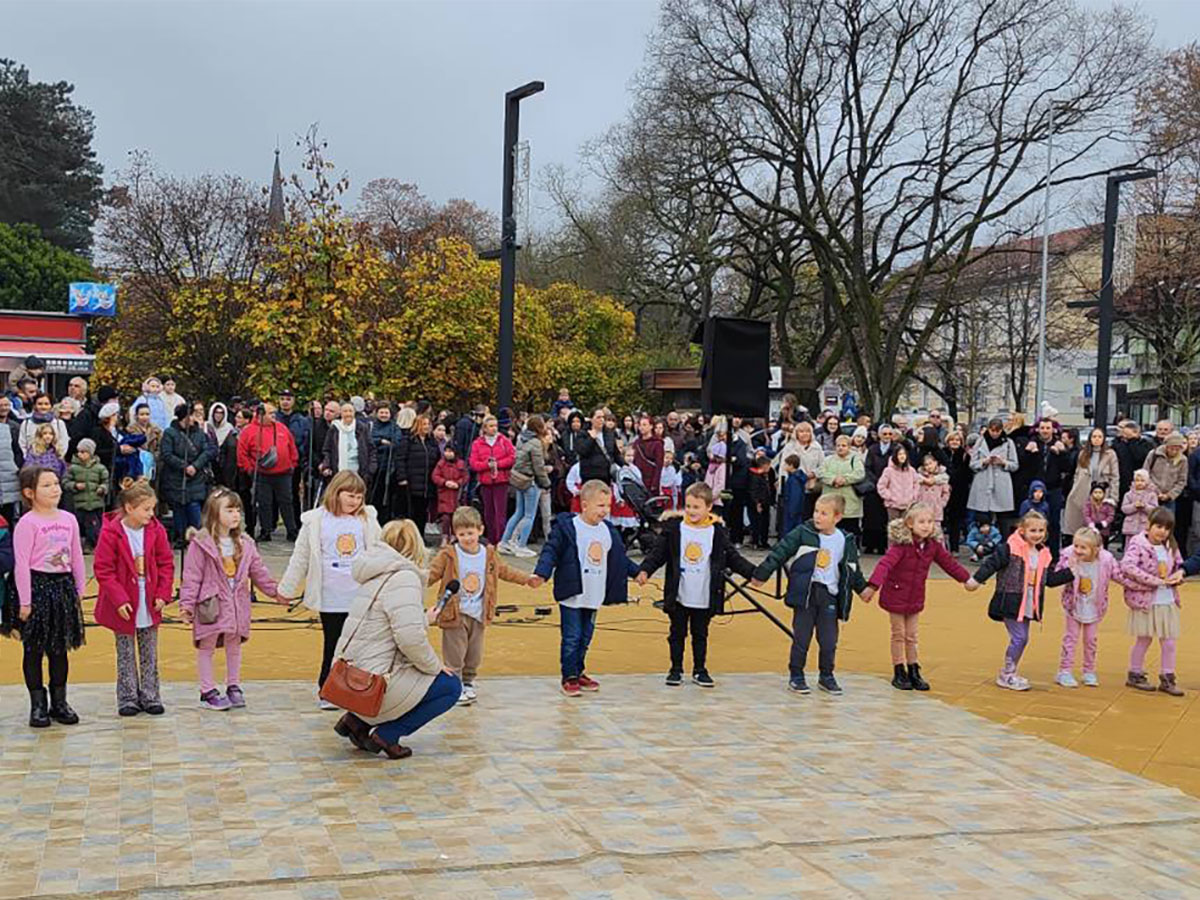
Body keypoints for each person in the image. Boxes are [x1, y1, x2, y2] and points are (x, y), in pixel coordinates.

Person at [330, 519, 461, 760]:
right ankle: (387, 735)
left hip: (349, 674)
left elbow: (382, 625)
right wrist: (435, 666)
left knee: (416, 672)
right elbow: (409, 639)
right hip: (374, 681)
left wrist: (423, 619)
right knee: (450, 687)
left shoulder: (375, 572)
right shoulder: (404, 577)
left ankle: (356, 721)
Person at [278, 470, 382, 708]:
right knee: (333, 644)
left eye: (359, 497)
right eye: (350, 496)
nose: (355, 501)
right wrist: (286, 589)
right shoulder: (315, 521)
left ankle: (358, 690)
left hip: (360, 596)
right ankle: (327, 690)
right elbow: (301, 558)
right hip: (331, 596)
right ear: (336, 492)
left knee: (359, 646)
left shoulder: (367, 519)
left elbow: (380, 552)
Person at [636, 482, 756, 688]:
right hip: (679, 594)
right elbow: (658, 554)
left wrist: (754, 573)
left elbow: (733, 558)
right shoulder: (674, 529)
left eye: (696, 507)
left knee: (700, 634)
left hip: (704, 594)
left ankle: (700, 670)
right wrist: (645, 570)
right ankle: (675, 669)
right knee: (677, 633)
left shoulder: (716, 532)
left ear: (709, 507)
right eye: (688, 506)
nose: (691, 511)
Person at [529, 480, 641, 697]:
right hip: (573, 594)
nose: (605, 510)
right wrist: (541, 573)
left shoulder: (608, 531)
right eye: (600, 506)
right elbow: (551, 551)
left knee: (586, 636)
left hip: (594, 594)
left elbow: (619, 558)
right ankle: (569, 676)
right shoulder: (568, 528)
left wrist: (637, 572)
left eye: (607, 505)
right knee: (572, 636)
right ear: (585, 505)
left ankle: (579, 671)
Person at [751, 493, 868, 696]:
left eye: (824, 513)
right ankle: (796, 675)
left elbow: (852, 568)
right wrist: (762, 573)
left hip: (829, 595)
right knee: (802, 638)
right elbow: (781, 551)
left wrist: (862, 588)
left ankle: (826, 675)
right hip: (806, 593)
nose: (817, 516)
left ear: (837, 517)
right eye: (816, 511)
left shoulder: (845, 539)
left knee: (829, 640)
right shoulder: (803, 532)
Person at [179, 488, 283, 711]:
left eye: (238, 510)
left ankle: (233, 685)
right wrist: (186, 605)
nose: (236, 515)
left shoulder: (246, 543)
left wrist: (277, 592)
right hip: (211, 604)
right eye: (229, 510)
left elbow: (259, 572)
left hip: (237, 605)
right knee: (207, 645)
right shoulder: (201, 543)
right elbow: (192, 577)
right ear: (214, 513)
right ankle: (207, 690)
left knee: (234, 645)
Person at [861, 503, 971, 691]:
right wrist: (872, 586)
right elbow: (884, 565)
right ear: (910, 524)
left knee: (911, 635)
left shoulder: (932, 546)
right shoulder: (901, 546)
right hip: (896, 594)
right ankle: (899, 670)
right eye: (922, 522)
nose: (926, 526)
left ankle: (913, 669)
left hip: (915, 595)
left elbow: (948, 563)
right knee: (899, 634)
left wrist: (966, 579)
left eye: (930, 521)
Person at [428, 506, 532, 705]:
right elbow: (431, 574)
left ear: (480, 530)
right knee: (455, 654)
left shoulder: (489, 554)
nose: (467, 538)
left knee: (474, 654)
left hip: (479, 613)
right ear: (455, 534)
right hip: (454, 613)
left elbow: (505, 571)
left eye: (470, 533)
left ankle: (468, 682)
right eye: (461, 534)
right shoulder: (449, 554)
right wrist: (411, 582)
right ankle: (454, 686)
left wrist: (526, 579)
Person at [966, 510, 1074, 691]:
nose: (1037, 534)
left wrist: (1071, 572)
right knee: (1020, 638)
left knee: (1022, 638)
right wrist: (976, 580)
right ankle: (1007, 674)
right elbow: (992, 564)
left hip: (1030, 602)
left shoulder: (1043, 554)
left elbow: (1048, 580)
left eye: (1041, 531)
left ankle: (1010, 672)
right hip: (1011, 600)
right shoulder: (1009, 548)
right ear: (1022, 530)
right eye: (1033, 530)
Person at [12, 467, 86, 727]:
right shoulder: (27, 523)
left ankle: (60, 702)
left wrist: (79, 589)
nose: (55, 489)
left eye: (56, 483)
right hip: (37, 586)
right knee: (33, 649)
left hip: (62, 586)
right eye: (46, 485)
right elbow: (21, 564)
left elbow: (76, 555)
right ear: (29, 492)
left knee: (59, 648)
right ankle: (38, 704)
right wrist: (25, 601)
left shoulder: (69, 519)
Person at [92, 482, 174, 716]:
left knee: (149, 652)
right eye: (146, 509)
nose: (151, 514)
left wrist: (162, 594)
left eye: (152, 508)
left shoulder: (157, 530)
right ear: (129, 508)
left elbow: (166, 564)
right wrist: (118, 599)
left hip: (149, 601)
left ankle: (150, 695)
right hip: (124, 604)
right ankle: (127, 697)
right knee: (125, 652)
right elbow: (103, 569)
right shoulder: (111, 532)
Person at [1054, 526, 1124, 689]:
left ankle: (1089, 671)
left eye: (1083, 547)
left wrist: (1139, 585)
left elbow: (1120, 576)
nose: (1078, 550)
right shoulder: (1068, 556)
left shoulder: (1106, 561)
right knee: (1071, 638)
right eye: (1076, 546)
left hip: (1094, 606)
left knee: (1091, 640)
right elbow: (1058, 574)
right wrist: (1069, 568)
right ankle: (1064, 671)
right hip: (1073, 605)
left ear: (1096, 549)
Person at [236, 402, 300, 543]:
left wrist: (292, 464)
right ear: (261, 415)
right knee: (264, 503)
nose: (274, 416)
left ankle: (291, 530)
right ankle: (265, 530)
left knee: (287, 502)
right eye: (270, 413)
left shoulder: (281, 427)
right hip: (262, 474)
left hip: (284, 473)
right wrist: (249, 469)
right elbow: (242, 453)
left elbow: (291, 447)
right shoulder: (249, 431)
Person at [159, 403, 213, 547]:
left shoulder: (200, 433)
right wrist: (184, 466)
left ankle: (198, 538)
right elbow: (166, 454)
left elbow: (207, 451)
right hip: (176, 477)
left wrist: (195, 466)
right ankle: (181, 536)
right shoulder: (170, 433)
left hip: (196, 477)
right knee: (179, 508)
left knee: (194, 507)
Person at [500, 415, 551, 557]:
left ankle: (504, 542)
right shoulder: (536, 443)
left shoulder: (522, 438)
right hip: (530, 481)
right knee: (529, 515)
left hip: (519, 479)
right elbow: (538, 467)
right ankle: (520, 545)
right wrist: (546, 483)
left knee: (518, 512)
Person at [469, 415, 516, 546]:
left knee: (500, 513)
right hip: (485, 482)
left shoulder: (504, 441)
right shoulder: (477, 443)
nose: (494, 428)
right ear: (484, 428)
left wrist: (498, 464)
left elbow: (512, 458)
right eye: (491, 426)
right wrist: (487, 465)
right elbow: (473, 463)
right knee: (488, 513)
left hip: (501, 481)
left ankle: (501, 541)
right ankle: (491, 540)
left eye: (495, 426)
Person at [1064, 428, 1119, 535]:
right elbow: (1077, 474)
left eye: (1099, 437)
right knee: (1081, 524)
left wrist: (1113, 497)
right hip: (1082, 491)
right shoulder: (1083, 453)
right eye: (1094, 437)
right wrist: (1075, 488)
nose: (1097, 439)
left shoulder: (1110, 454)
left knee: (1100, 528)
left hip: (1102, 494)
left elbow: (1115, 477)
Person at [967, 417, 1019, 530]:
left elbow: (1015, 465)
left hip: (1001, 483)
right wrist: (984, 462)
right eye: (992, 430)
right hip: (983, 482)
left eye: (997, 431)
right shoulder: (980, 441)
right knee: (982, 518)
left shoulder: (1008, 443)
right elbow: (972, 464)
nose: (995, 433)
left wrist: (1003, 462)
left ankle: (1003, 539)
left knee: (1003, 519)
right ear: (988, 429)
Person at [398, 414, 438, 537]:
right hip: (412, 482)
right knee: (412, 512)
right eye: (424, 424)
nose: (427, 427)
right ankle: (410, 537)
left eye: (428, 424)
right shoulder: (408, 440)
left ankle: (420, 536)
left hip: (427, 483)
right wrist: (402, 477)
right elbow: (400, 459)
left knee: (423, 512)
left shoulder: (432, 442)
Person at [818, 435, 865, 535]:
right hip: (830, 502)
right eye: (838, 445)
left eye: (843, 445)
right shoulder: (828, 460)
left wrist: (844, 479)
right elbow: (820, 473)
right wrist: (833, 479)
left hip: (850, 504)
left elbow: (859, 474)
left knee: (850, 533)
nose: (840, 448)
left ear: (849, 447)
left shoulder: (855, 459)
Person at [321, 401, 377, 483]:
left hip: (360, 472)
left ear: (354, 413)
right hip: (339, 471)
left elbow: (371, 449)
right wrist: (326, 466)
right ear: (340, 413)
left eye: (350, 411)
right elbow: (327, 450)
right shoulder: (334, 429)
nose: (348, 414)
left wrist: (371, 469)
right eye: (345, 411)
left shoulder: (362, 428)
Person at [68, 438, 107, 549]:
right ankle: (83, 543)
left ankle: (93, 544)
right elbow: (66, 482)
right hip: (79, 503)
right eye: (79, 452)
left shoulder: (99, 468)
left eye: (84, 452)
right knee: (80, 524)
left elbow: (106, 482)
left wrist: (102, 488)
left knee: (94, 526)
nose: (80, 454)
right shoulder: (73, 468)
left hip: (95, 503)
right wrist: (75, 486)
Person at [369, 403, 403, 524]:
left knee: (388, 497)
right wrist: (381, 441)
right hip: (374, 465)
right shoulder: (371, 426)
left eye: (386, 413)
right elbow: (369, 440)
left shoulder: (395, 427)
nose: (384, 415)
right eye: (381, 412)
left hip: (389, 466)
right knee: (373, 495)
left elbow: (397, 442)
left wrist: (386, 443)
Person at [432, 444, 468, 546]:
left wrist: (458, 483)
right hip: (444, 493)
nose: (448, 454)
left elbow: (465, 476)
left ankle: (454, 535)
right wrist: (444, 482)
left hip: (456, 495)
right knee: (445, 517)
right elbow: (435, 476)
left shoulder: (461, 464)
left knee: (456, 516)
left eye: (450, 451)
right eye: (446, 451)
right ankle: (445, 535)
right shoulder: (441, 464)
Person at [574, 408, 619, 486]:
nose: (601, 420)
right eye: (598, 417)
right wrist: (591, 438)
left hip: (606, 474)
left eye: (603, 417)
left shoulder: (609, 433)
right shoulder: (583, 433)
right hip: (590, 475)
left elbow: (615, 453)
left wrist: (625, 466)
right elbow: (582, 451)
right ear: (591, 419)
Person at [877, 444, 920, 525]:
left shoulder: (911, 471)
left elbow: (916, 484)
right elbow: (881, 486)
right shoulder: (888, 471)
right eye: (900, 454)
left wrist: (913, 497)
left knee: (906, 527)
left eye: (904, 454)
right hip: (893, 506)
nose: (902, 456)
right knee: (894, 527)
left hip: (908, 505)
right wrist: (890, 496)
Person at [1146, 432, 1188, 513]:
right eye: (1171, 448)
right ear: (1166, 446)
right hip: (1151, 495)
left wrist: (1170, 495)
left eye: (1177, 449)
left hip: (1169, 499)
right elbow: (1146, 474)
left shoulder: (1183, 460)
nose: (1174, 451)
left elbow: (1182, 481)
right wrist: (1155, 491)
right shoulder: (1154, 454)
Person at [1113, 419, 1154, 503]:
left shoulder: (1145, 444)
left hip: (1138, 482)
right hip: (1121, 482)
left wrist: (1133, 440)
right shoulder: (1117, 444)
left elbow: (1139, 457)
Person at [747, 448, 776, 549]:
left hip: (765, 502)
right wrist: (757, 503)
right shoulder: (755, 476)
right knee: (758, 523)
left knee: (765, 523)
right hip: (759, 503)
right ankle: (757, 541)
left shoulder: (764, 475)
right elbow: (753, 491)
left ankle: (763, 541)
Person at [915, 451, 950, 530]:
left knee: (936, 530)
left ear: (936, 463)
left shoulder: (942, 476)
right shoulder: (920, 477)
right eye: (926, 465)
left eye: (930, 463)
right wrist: (917, 501)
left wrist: (941, 503)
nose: (929, 466)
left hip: (936, 509)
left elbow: (946, 492)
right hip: (922, 507)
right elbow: (916, 490)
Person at [780, 455, 807, 536]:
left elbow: (795, 496)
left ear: (791, 465)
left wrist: (792, 511)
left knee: (789, 531)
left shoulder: (793, 480)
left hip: (791, 511)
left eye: (786, 464)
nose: (784, 466)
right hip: (795, 510)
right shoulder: (796, 478)